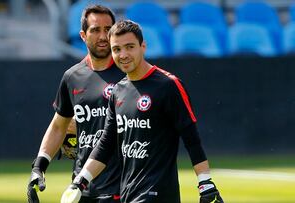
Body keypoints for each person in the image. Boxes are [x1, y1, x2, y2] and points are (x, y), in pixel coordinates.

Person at [61, 20, 224, 203]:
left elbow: (191, 138)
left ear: (143, 46)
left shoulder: (168, 85)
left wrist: (205, 183)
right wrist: (80, 182)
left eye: (129, 47)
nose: (123, 55)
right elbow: (106, 144)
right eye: (116, 49)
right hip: (128, 193)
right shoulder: (118, 91)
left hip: (158, 194)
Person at [27, 5, 125, 203]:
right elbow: (58, 126)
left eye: (108, 29)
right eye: (95, 30)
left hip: (123, 187)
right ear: (83, 35)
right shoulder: (72, 77)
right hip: (83, 187)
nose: (103, 36)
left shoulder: (129, 72)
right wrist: (39, 167)